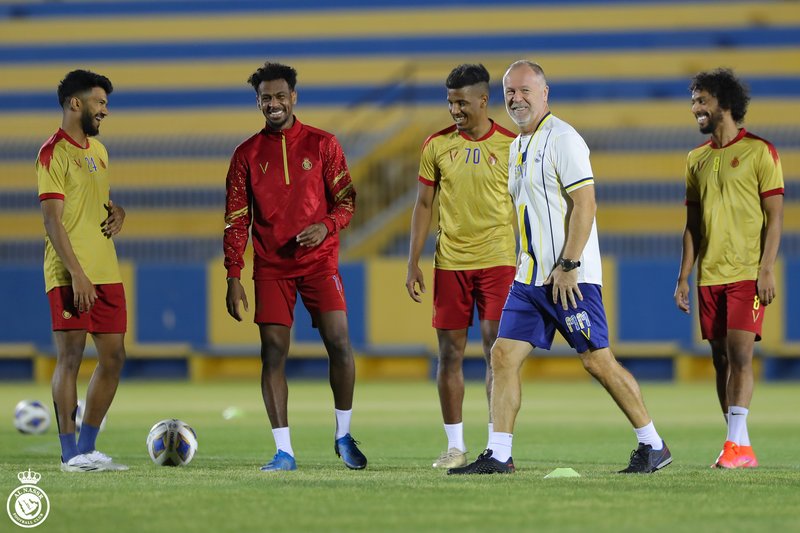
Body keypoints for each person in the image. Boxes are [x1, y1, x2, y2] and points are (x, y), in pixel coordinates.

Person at [449, 60, 671, 475]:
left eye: (525, 90)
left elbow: (585, 204)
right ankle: (499, 454)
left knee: (597, 361)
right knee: (502, 356)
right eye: (510, 92)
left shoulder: (564, 138)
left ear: (545, 93)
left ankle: (653, 444)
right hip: (529, 279)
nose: (516, 99)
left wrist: (568, 264)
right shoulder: (518, 146)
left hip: (569, 278)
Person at [224, 61, 367, 472]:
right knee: (273, 352)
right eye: (266, 98)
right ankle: (284, 451)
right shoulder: (246, 155)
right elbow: (236, 221)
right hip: (271, 267)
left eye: (280, 96)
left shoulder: (323, 144)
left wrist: (326, 226)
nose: (274, 103)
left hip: (320, 263)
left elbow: (347, 201)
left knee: (339, 342)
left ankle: (343, 435)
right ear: (258, 102)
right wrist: (233, 275)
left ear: (294, 98)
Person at [405, 64, 516, 469]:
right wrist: (413, 261)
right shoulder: (436, 145)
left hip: (499, 260)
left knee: (496, 351)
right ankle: (455, 447)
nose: (455, 110)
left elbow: (527, 204)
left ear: (484, 100)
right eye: (450, 102)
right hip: (451, 263)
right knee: (449, 354)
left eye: (462, 103)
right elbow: (423, 204)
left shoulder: (512, 145)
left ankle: (497, 446)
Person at [675, 68, 783, 469]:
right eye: (693, 102)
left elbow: (775, 217)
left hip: (746, 273)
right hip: (710, 275)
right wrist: (684, 276)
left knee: (740, 355)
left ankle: (735, 447)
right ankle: (739, 445)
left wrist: (766, 268)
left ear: (725, 103)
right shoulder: (696, 159)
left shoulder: (760, 151)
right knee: (720, 360)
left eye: (702, 101)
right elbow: (692, 225)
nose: (695, 109)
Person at [36, 70, 129, 473]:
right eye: (100, 103)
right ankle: (69, 453)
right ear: (76, 103)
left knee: (114, 357)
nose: (105, 110)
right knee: (70, 357)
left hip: (107, 270)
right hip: (69, 273)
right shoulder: (53, 153)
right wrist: (76, 273)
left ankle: (88, 448)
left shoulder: (100, 151)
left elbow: (98, 202)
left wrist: (119, 212)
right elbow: (52, 220)